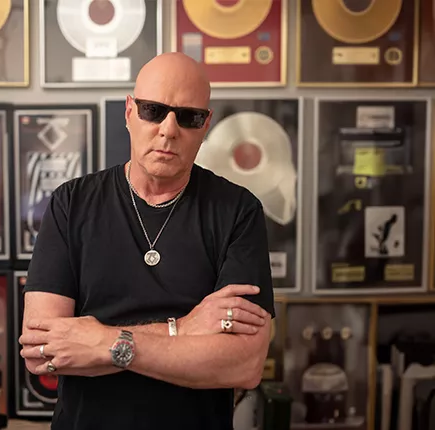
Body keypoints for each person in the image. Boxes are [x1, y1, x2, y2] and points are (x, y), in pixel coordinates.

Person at [18, 52, 275, 430]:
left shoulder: (238, 211)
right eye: (154, 110)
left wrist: (102, 340)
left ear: (206, 125)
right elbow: (42, 352)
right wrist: (183, 330)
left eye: (188, 117)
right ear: (129, 112)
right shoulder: (71, 203)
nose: (169, 130)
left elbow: (244, 364)